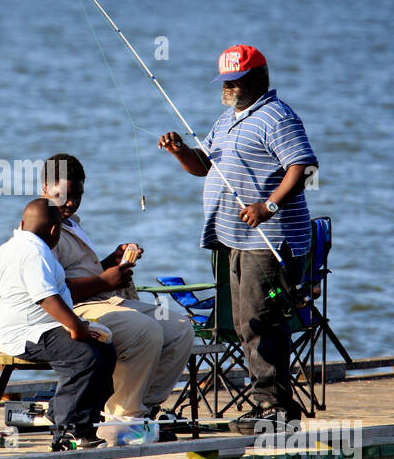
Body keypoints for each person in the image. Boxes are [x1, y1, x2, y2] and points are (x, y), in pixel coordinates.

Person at [158, 44, 318, 430]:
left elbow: (304, 167)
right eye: (225, 80)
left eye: (237, 79)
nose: (229, 86)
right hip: (235, 240)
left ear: (259, 78)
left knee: (259, 320)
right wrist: (180, 151)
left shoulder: (277, 117)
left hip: (270, 240)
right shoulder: (228, 119)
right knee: (247, 320)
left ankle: (276, 410)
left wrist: (269, 206)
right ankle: (269, 405)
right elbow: (203, 166)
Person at [40, 153, 194, 423]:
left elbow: (78, 272)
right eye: (62, 195)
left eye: (78, 195)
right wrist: (103, 281)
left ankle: (139, 408)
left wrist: (110, 263)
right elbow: (50, 294)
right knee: (146, 330)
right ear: (44, 190)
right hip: (72, 312)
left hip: (101, 301)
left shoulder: (72, 223)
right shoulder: (42, 229)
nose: (71, 203)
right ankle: (124, 417)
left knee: (180, 327)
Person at [0, 199, 115, 450]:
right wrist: (76, 326)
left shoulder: (8, 247)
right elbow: (46, 297)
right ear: (54, 231)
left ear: (22, 224)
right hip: (24, 334)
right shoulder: (36, 252)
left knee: (104, 349)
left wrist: (10, 303)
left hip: (41, 328)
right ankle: (69, 433)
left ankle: (66, 415)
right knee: (83, 355)